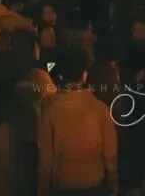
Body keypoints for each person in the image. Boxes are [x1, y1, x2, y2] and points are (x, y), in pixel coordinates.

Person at [37, 55, 119, 195]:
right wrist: (113, 185)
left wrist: (42, 190)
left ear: (61, 76)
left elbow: (46, 158)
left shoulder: (50, 108)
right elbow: (110, 155)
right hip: (95, 184)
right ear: (84, 75)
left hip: (63, 185)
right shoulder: (100, 108)